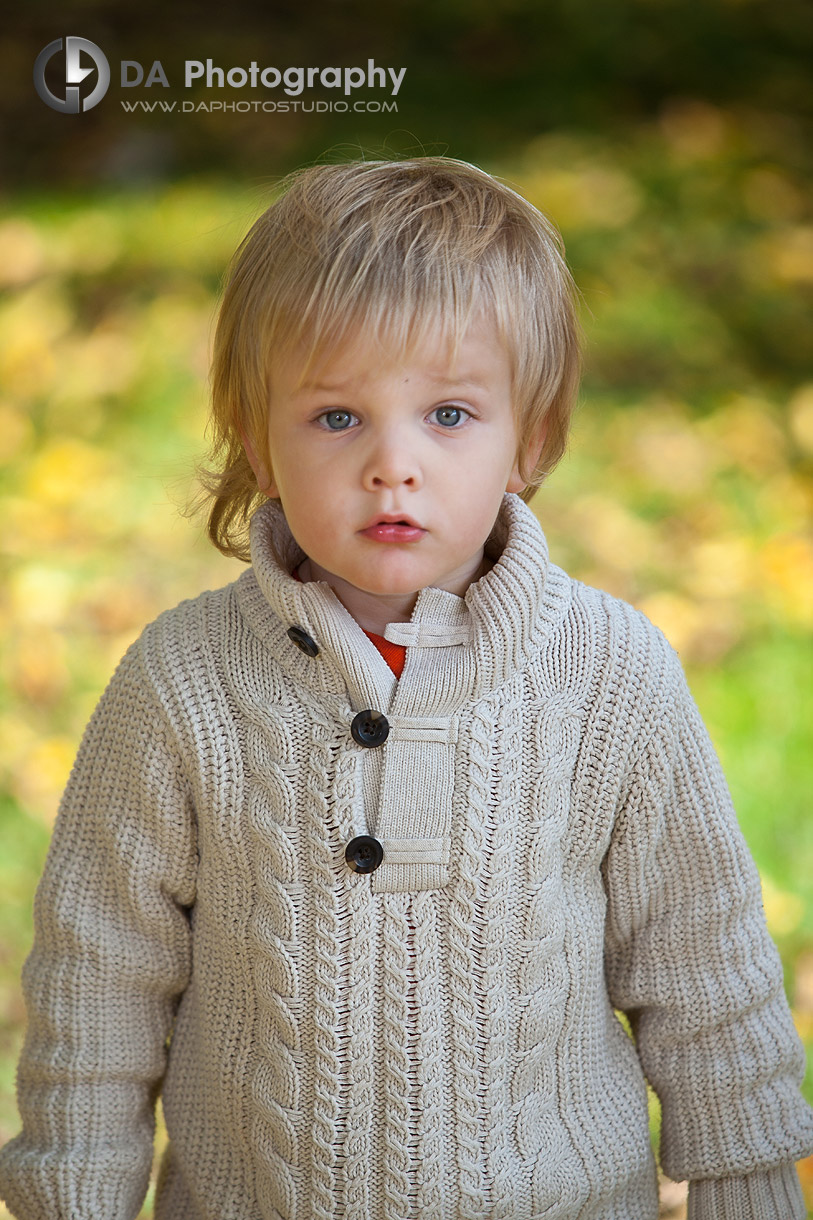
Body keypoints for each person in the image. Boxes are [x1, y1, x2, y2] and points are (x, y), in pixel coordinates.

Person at [0, 157, 811, 1220]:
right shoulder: (182, 682)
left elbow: (705, 967)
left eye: (450, 414)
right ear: (258, 438)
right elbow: (97, 983)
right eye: (337, 417)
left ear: (533, 435)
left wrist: (747, 1189)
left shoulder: (611, 673)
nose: (394, 464)